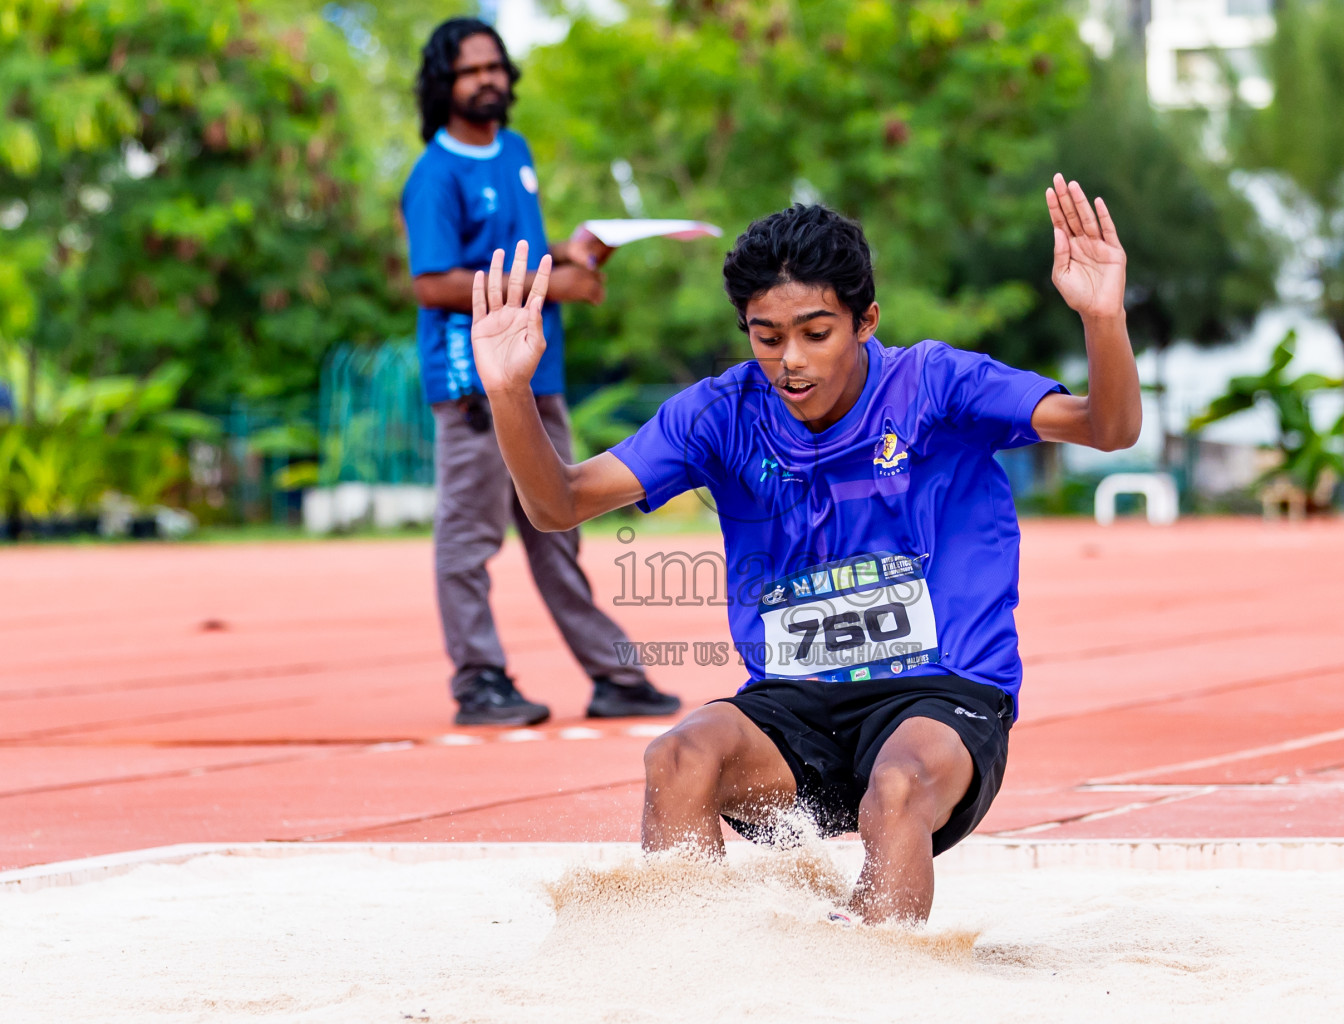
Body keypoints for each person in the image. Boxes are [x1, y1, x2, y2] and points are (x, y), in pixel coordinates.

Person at [468, 179, 1141, 924]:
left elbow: (1107, 427)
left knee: (895, 788)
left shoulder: (937, 385)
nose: (791, 360)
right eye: (767, 337)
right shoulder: (722, 413)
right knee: (679, 757)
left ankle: (876, 985)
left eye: (816, 333)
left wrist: (1103, 317)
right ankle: (681, 969)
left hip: (942, 695)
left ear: (865, 321)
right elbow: (556, 503)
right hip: (797, 705)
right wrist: (508, 394)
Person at [401, 18, 679, 726]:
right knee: (469, 538)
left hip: (538, 374)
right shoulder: (434, 175)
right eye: (471, 71)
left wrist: (574, 253)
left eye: (496, 66)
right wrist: (552, 285)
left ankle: (613, 676)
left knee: (559, 522)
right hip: (474, 382)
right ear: (444, 85)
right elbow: (432, 284)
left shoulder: (516, 151)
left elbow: (520, 252)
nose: (489, 79)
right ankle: (478, 679)